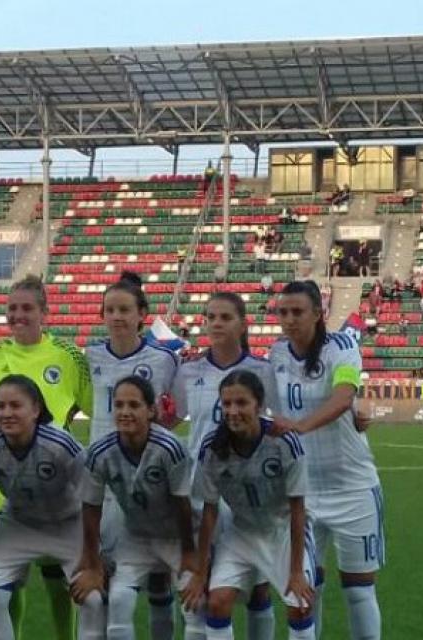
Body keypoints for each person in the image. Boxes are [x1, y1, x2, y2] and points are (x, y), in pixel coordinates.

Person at [0, 274, 93, 640]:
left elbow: (92, 406)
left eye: (26, 307)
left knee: (59, 579)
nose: (18, 315)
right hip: (6, 486)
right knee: (8, 579)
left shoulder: (68, 355)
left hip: (56, 481)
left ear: (44, 312)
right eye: (11, 308)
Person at [269, 281, 384, 640]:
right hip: (302, 493)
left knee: (358, 589)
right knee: (306, 589)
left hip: (353, 488)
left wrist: (301, 426)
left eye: (297, 312)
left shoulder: (342, 347)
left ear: (318, 314)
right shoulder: (276, 354)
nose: (289, 319)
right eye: (283, 312)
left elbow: (344, 395)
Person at [0, 375, 104, 640]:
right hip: (18, 524)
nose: (6, 413)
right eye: (1, 406)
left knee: (92, 599)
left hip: (68, 523)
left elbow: (92, 501)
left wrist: (93, 564)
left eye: (15, 405)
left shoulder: (60, 444)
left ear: (35, 410)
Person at [171, 293, 279, 640]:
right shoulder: (188, 371)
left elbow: (280, 424)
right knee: (197, 587)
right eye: (210, 317)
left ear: (243, 324)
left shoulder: (263, 370)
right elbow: (172, 418)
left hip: (249, 492)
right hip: (202, 490)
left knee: (258, 588)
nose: (216, 323)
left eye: (225, 317)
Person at [85, 271, 181, 639]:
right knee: (107, 576)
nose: (117, 316)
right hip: (106, 479)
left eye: (125, 309)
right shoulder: (91, 354)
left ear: (142, 314)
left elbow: (175, 411)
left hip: (150, 479)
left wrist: (156, 432)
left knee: (158, 577)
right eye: (110, 310)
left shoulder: (164, 359)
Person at [187, 370, 316, 640]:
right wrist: (199, 572)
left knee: (300, 607)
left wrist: (296, 572)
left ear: (259, 404)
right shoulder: (212, 448)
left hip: (283, 533)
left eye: (241, 403)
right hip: (241, 533)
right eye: (227, 404)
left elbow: (298, 509)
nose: (233, 411)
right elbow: (209, 512)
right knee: (217, 602)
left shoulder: (283, 441)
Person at [73, 376, 197, 640]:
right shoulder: (100, 453)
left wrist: (189, 552)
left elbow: (183, 505)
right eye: (119, 405)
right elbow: (91, 508)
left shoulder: (170, 449)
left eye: (133, 405)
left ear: (151, 410)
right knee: (119, 599)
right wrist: (92, 561)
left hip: (176, 537)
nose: (125, 412)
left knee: (195, 606)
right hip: (136, 536)